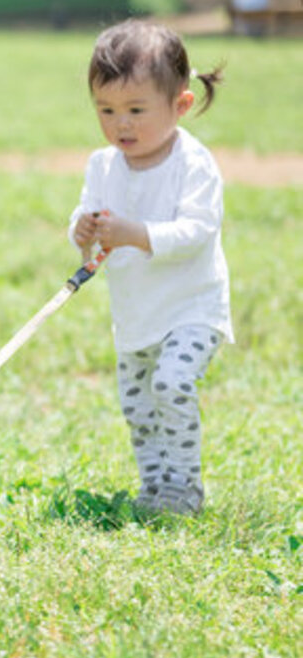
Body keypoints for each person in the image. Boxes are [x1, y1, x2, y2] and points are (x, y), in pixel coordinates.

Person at [69, 19, 229, 515]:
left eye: (137, 110)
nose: (122, 124)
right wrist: (83, 229)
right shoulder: (103, 165)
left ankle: (185, 490)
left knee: (171, 384)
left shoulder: (193, 164)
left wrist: (136, 234)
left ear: (180, 105)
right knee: (139, 409)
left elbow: (196, 232)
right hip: (136, 318)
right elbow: (87, 216)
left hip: (192, 311)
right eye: (107, 110)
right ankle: (154, 488)